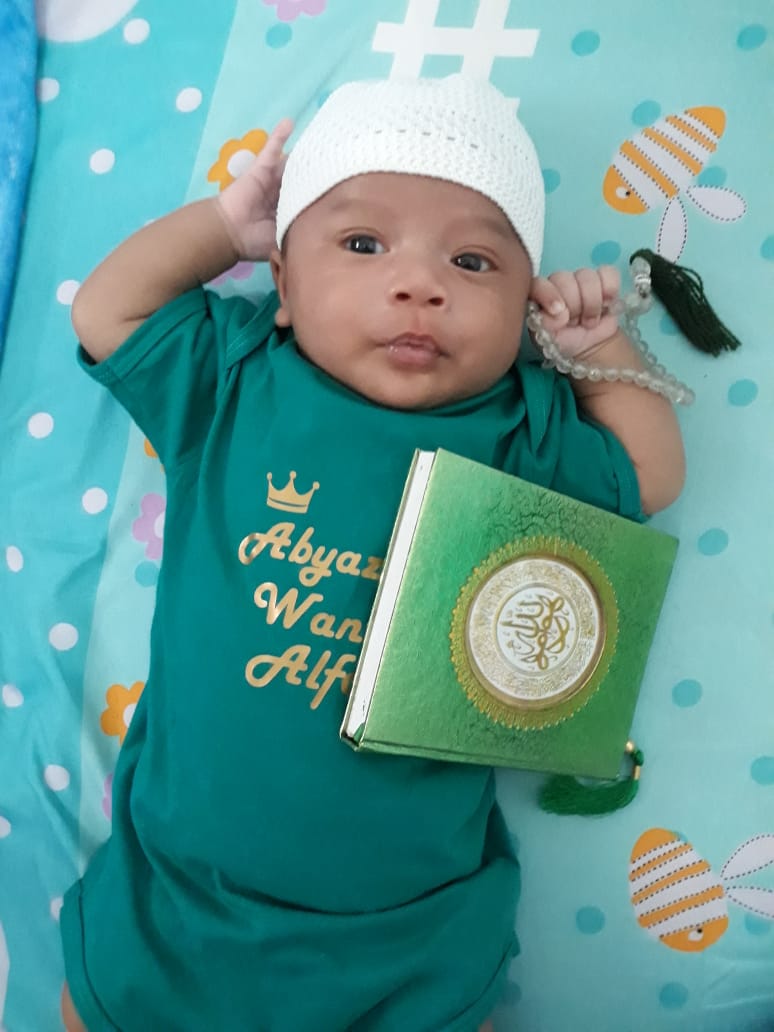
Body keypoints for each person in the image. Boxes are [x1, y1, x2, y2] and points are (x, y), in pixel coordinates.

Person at [60, 75, 685, 1032]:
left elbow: (647, 475)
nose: (420, 285)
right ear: (282, 283)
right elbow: (107, 313)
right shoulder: (234, 379)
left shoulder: (520, 430)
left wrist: (600, 352)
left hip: (407, 931)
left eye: (473, 262)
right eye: (362, 244)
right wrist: (224, 228)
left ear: (522, 304)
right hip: (179, 897)